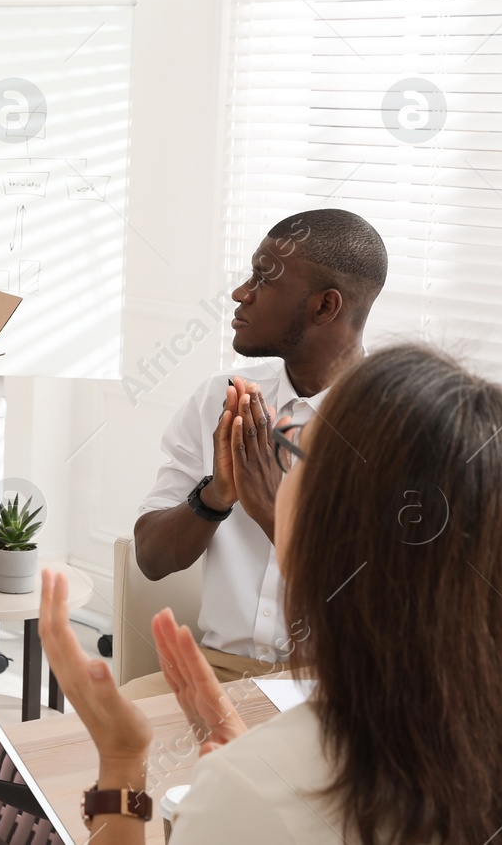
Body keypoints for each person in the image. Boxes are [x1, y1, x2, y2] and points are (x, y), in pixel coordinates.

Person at [42, 344, 502, 842]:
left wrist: (121, 769)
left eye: (294, 454)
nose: (276, 450)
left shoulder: (250, 794)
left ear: (331, 532)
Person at [125, 209, 386, 696]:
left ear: (325, 307)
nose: (241, 293)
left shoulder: (398, 425)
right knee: (100, 747)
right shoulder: (220, 398)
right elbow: (151, 559)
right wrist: (215, 497)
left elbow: (379, 613)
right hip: (217, 674)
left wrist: (269, 508)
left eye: (263, 279)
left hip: (335, 691)